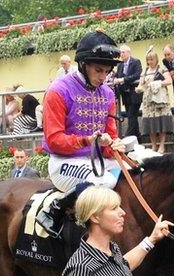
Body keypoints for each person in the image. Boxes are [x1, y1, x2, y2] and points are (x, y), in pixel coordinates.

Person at [36, 31, 127, 236]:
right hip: (63, 162)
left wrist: (113, 145)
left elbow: (110, 136)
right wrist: (87, 141)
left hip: (96, 161)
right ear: (83, 65)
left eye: (107, 71)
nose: (103, 77)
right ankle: (55, 208)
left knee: (138, 168)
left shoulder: (108, 94)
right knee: (104, 182)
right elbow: (54, 140)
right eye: (98, 70)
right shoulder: (58, 90)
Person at [137, 50, 173, 154]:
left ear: (156, 59)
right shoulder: (144, 71)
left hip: (160, 99)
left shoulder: (162, 69)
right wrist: (139, 88)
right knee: (150, 122)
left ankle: (162, 145)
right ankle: (153, 145)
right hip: (148, 100)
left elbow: (169, 81)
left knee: (161, 122)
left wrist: (157, 83)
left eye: (151, 59)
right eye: (148, 59)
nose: (149, 61)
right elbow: (141, 84)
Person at [113, 45, 143, 139]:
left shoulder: (136, 62)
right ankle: (137, 137)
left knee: (131, 115)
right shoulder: (120, 65)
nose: (121, 54)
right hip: (125, 94)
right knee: (131, 115)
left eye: (123, 52)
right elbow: (118, 76)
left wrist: (123, 80)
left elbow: (137, 75)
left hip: (134, 93)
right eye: (120, 52)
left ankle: (128, 136)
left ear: (128, 53)